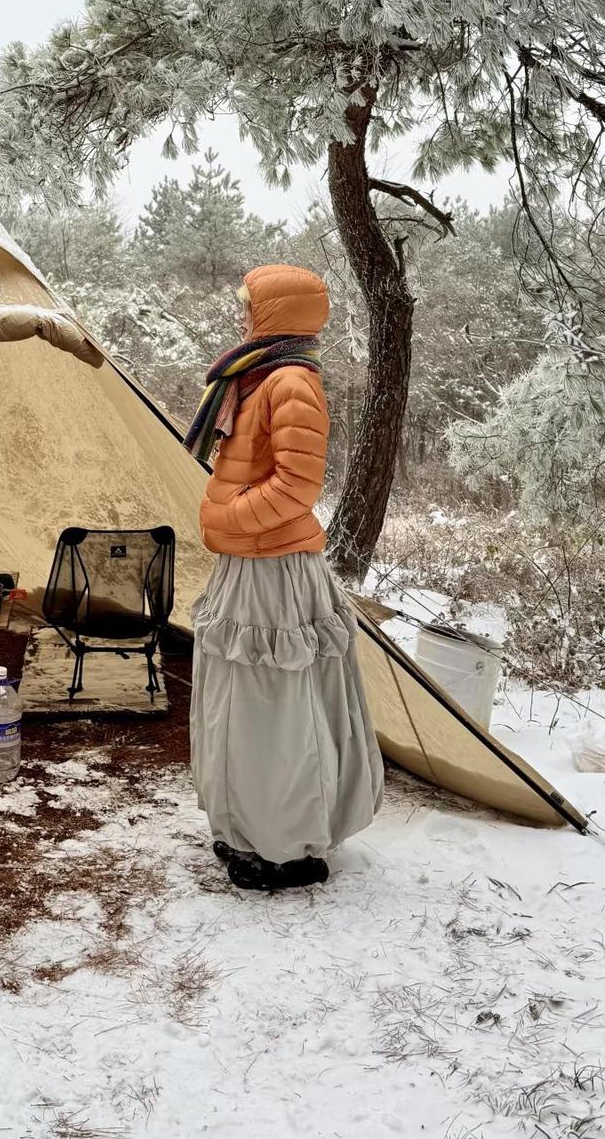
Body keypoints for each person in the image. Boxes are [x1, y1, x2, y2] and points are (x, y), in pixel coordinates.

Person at [185, 264, 383, 891]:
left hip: (276, 572)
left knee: (276, 711)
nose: (242, 316)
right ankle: (248, 830)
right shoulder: (255, 377)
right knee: (245, 707)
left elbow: (298, 485)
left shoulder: (292, 381)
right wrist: (233, 528)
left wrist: (228, 519)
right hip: (250, 565)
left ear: (277, 315)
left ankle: (286, 847)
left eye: (250, 307)